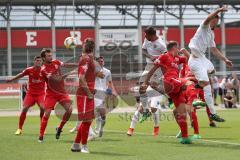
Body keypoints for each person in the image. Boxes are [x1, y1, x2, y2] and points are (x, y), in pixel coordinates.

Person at [141, 41, 192, 144]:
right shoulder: (164, 56)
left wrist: (185, 51)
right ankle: (193, 100)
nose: (178, 51)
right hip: (169, 82)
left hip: (176, 88)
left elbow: (190, 60)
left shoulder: (177, 59)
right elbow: (153, 69)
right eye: (177, 48)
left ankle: (185, 137)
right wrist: (145, 82)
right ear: (173, 48)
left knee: (181, 113)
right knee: (188, 82)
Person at [188, 7, 233, 122]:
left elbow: (214, 50)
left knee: (212, 71)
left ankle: (198, 84)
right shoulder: (203, 26)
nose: (215, 23)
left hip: (202, 58)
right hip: (195, 60)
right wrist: (219, 10)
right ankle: (212, 112)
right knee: (207, 87)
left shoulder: (211, 34)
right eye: (214, 21)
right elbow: (208, 18)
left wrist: (225, 60)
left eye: (216, 22)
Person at [38, 48, 76, 142]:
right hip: (51, 94)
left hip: (62, 92)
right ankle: (41, 136)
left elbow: (66, 64)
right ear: (43, 58)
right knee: (46, 114)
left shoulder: (56, 62)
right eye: (48, 56)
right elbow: (57, 79)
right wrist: (69, 73)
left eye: (51, 55)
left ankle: (59, 128)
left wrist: (77, 64)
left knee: (70, 110)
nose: (51, 57)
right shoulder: (43, 69)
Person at [6, 56, 45, 135]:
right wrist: (12, 79)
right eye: (37, 60)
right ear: (34, 61)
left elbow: (50, 79)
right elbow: (21, 74)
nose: (38, 62)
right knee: (24, 109)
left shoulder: (44, 71)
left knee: (42, 108)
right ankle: (19, 129)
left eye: (40, 61)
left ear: (42, 62)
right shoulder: (29, 70)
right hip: (31, 93)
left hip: (41, 94)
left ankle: (42, 125)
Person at [71, 38, 96, 153]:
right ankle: (84, 146)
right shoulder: (86, 59)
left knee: (88, 121)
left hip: (88, 92)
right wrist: (89, 93)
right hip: (85, 93)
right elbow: (81, 78)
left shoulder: (89, 58)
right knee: (86, 120)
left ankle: (76, 145)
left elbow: (88, 76)